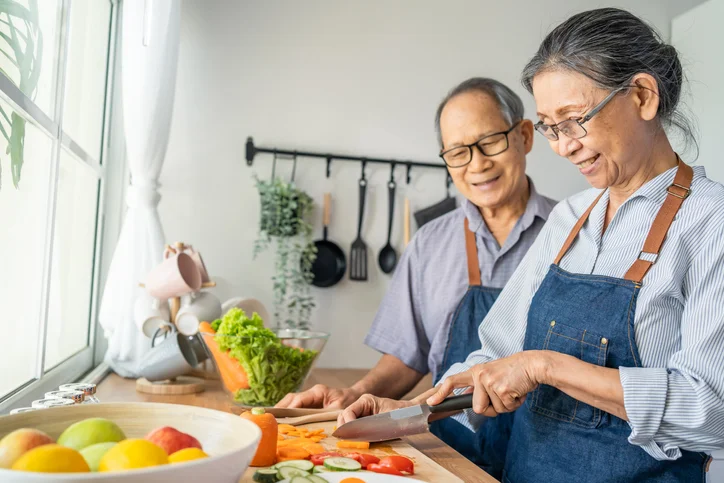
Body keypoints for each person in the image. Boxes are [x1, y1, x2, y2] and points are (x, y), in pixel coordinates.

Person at [338, 8, 724, 482]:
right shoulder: (568, 220)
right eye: (550, 126)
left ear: (642, 95)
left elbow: (712, 410)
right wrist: (409, 409)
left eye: (573, 119)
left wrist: (545, 366)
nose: (563, 146)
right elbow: (496, 356)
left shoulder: (711, 223)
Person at [277, 77, 556, 476]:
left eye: (491, 141)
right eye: (458, 152)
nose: (477, 164)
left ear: (525, 135)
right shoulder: (430, 243)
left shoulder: (574, 236)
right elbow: (408, 356)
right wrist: (355, 394)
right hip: (444, 452)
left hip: (543, 457)